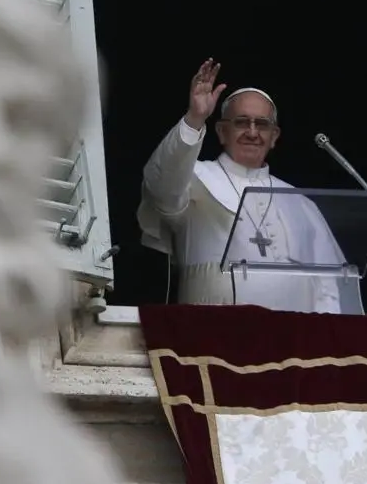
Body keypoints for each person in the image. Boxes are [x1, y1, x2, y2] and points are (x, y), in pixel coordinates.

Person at [137, 59, 347, 313]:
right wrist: (195, 118)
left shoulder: (301, 203)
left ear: (274, 137)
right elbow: (162, 187)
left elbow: (329, 283)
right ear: (222, 131)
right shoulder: (195, 177)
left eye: (262, 124)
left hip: (297, 343)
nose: (252, 132)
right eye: (241, 122)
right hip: (213, 334)